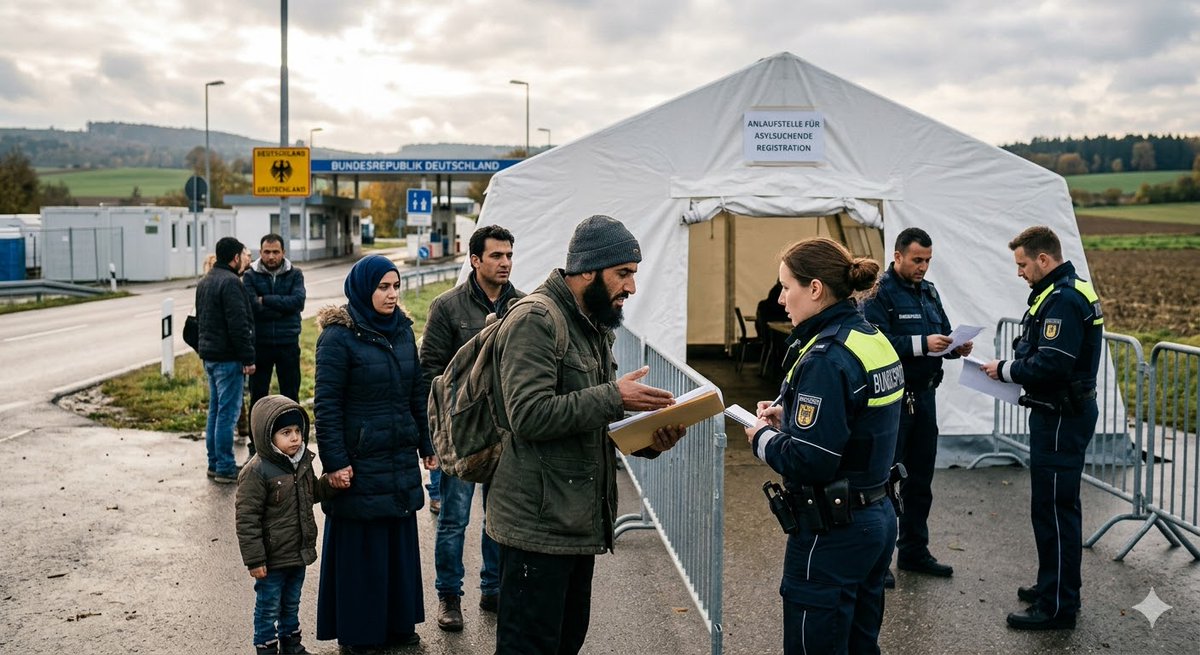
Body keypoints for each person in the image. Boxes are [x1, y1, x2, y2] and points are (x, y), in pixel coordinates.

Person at [487, 215, 686, 655]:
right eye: (624, 274)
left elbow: (588, 422)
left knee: (566, 642)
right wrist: (615, 397)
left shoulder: (592, 324)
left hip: (575, 521)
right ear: (588, 270)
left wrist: (649, 439)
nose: (631, 287)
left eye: (633, 274)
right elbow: (529, 415)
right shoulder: (536, 319)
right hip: (536, 526)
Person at [746, 237, 903, 654]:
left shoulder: (825, 357)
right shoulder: (871, 337)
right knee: (859, 644)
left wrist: (762, 439)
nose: (781, 300)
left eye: (786, 287)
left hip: (833, 531)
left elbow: (811, 461)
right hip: (877, 515)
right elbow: (862, 421)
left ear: (814, 289)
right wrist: (793, 414)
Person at [314, 255, 438, 652]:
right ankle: (360, 633)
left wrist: (427, 445)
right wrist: (334, 462)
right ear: (364, 288)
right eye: (383, 287)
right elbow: (327, 405)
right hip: (360, 459)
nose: (392, 294)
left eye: (396, 286)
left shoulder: (402, 331)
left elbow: (416, 393)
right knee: (362, 549)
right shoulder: (338, 336)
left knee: (397, 543)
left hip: (398, 455)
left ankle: (398, 624)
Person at [982, 226, 1102, 631]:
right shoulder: (1063, 292)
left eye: (1022, 264)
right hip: (1061, 412)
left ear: (1044, 259)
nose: (1020, 273)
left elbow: (1051, 364)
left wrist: (1005, 370)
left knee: (1053, 510)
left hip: (1061, 416)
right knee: (1055, 508)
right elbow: (1035, 350)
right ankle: (1058, 586)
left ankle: (1056, 607)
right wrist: (1019, 360)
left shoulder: (1063, 300)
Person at [419, 225, 524, 631]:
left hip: (506, 432)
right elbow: (430, 372)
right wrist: (432, 435)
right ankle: (449, 596)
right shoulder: (447, 307)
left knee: (499, 516)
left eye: (509, 255)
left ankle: (493, 589)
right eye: (496, 255)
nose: (505, 263)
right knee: (454, 519)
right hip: (462, 433)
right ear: (475, 259)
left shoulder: (524, 305)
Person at [861, 227, 972, 586]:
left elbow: (942, 331)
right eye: (917, 260)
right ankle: (877, 563)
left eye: (927, 260)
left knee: (920, 480)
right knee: (885, 481)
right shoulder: (879, 293)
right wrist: (923, 344)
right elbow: (875, 342)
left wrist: (954, 346)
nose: (923, 267)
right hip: (894, 400)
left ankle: (914, 550)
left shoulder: (929, 292)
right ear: (897, 257)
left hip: (925, 397)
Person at [235, 395, 336, 655]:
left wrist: (331, 484)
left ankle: (292, 644)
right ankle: (266, 647)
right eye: (286, 432)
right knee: (268, 605)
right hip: (271, 558)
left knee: (291, 603)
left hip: (297, 553)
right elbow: (247, 519)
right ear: (267, 436)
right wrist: (255, 560)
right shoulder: (256, 472)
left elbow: (312, 492)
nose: (294, 438)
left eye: (298, 431)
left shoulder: (302, 463)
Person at [195, 236, 256, 483]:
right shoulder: (231, 283)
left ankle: (214, 463)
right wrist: (248, 357)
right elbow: (238, 325)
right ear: (235, 257)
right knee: (227, 415)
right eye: (243, 254)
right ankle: (225, 467)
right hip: (228, 358)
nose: (244, 259)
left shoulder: (206, 280)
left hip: (209, 355)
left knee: (215, 412)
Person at [244, 233, 307, 456]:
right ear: (260, 253)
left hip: (287, 344)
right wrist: (282, 305)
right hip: (260, 345)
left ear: (283, 253)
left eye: (275, 252)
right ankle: (257, 445)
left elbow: (298, 302)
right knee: (258, 397)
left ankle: (295, 442)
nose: (271, 256)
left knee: (291, 395)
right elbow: (251, 305)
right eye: (267, 252)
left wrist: (266, 301)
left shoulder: (295, 274)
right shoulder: (250, 275)